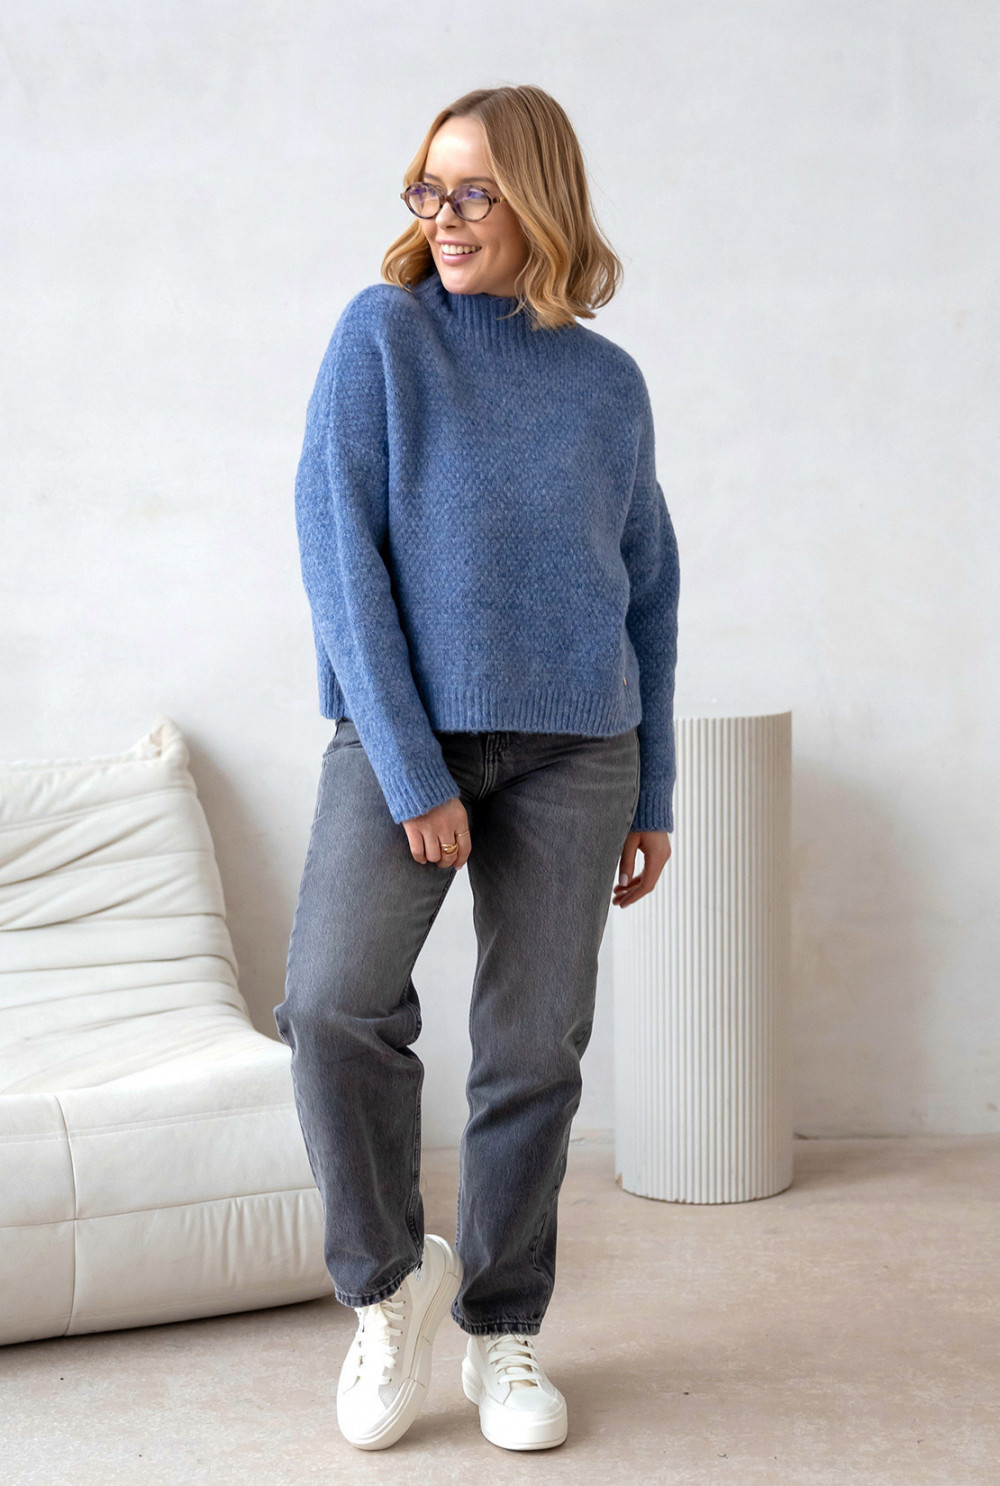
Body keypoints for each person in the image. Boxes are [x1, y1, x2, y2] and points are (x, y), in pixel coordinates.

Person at [273, 84, 680, 1454]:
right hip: (408, 734)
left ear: (541, 202)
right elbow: (340, 558)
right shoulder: (383, 336)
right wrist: (410, 771)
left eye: (475, 193)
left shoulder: (608, 385)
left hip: (581, 748)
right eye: (428, 190)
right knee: (332, 1004)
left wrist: (654, 791)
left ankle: (504, 1326)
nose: (444, 219)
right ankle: (389, 1284)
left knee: (531, 1049)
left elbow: (647, 589)